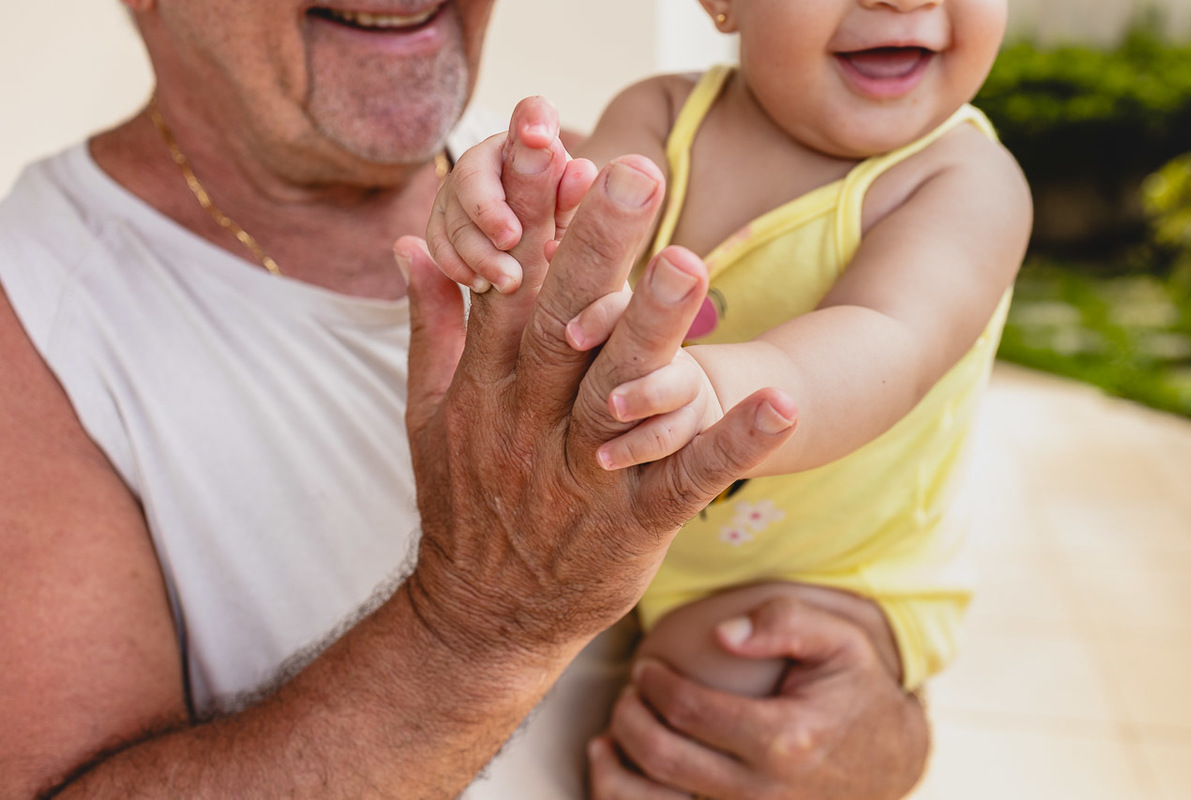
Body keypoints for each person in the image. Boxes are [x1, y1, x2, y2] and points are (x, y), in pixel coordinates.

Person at [0, 1, 929, 798]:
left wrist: (868, 738)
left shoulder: (583, 179)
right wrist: (481, 624)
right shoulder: (36, 319)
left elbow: (832, 515)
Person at [430, 0, 1033, 779]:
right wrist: (508, 209)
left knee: (710, 709)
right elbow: (575, 250)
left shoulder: (966, 181)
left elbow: (889, 338)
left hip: (817, 574)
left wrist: (719, 392)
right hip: (635, 525)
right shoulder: (662, 115)